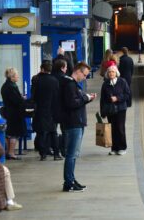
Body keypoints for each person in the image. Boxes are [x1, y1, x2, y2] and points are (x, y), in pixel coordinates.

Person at [62, 62, 96, 192]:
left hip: (77, 122)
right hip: (73, 123)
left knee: (74, 154)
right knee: (71, 154)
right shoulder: (70, 85)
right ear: (78, 71)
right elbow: (71, 103)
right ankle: (68, 182)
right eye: (85, 75)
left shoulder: (73, 85)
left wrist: (87, 98)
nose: (85, 78)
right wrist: (85, 99)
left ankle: (71, 179)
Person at [32, 61, 62, 161]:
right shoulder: (55, 80)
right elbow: (57, 96)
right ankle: (56, 154)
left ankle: (43, 154)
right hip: (52, 110)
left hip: (41, 110)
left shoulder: (36, 80)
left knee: (42, 132)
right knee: (54, 132)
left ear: (42, 69)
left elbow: (34, 96)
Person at [100, 65, 131, 156]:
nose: (111, 74)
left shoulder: (122, 81)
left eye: (113, 72)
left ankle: (122, 148)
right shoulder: (105, 84)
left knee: (120, 128)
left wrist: (117, 98)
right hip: (110, 109)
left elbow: (127, 94)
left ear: (116, 73)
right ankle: (114, 148)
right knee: (112, 129)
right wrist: (102, 111)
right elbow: (103, 99)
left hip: (121, 109)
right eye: (109, 72)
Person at [1, 68, 27, 160]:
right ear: (12, 77)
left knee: (9, 133)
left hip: (9, 112)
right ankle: (11, 153)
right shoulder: (11, 87)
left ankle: (9, 152)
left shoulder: (6, 85)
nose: (18, 76)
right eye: (16, 75)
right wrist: (22, 99)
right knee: (14, 133)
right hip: (14, 113)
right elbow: (16, 100)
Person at [52, 59, 68, 157]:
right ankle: (64, 150)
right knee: (65, 130)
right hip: (63, 108)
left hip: (52, 108)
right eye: (65, 67)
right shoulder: (65, 79)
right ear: (62, 68)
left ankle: (55, 151)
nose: (66, 69)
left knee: (53, 130)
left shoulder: (51, 78)